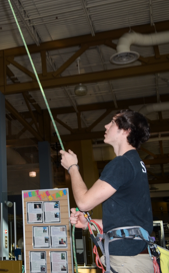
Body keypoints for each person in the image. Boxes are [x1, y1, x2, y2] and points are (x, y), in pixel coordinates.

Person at [59, 109, 153, 273]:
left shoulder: (122, 164)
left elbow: (84, 203)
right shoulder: (136, 163)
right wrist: (89, 223)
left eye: (112, 122)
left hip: (127, 262)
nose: (106, 125)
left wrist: (72, 167)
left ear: (126, 130)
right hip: (135, 259)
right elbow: (128, 221)